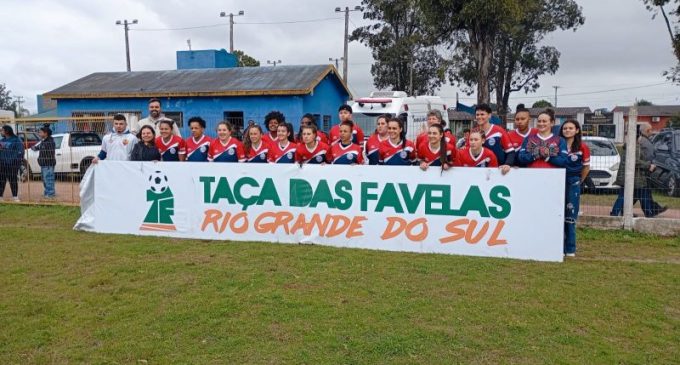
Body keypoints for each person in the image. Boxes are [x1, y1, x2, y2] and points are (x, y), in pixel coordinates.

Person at [610, 123, 667, 217]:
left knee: (630, 195)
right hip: (635, 177)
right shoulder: (635, 147)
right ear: (639, 136)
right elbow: (636, 161)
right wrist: (649, 165)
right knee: (640, 195)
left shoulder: (631, 146)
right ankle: (648, 213)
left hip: (633, 176)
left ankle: (618, 212)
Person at [561, 120, 590, 257]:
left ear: (577, 130)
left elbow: (586, 167)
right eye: (565, 128)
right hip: (558, 181)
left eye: (571, 128)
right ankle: (559, 247)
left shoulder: (582, 147)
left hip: (573, 182)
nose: (567, 130)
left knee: (570, 216)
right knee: (558, 215)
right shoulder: (558, 145)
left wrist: (579, 181)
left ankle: (570, 249)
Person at [473, 104, 514, 174]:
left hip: (498, 172)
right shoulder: (473, 132)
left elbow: (510, 152)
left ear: (489, 115)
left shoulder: (499, 131)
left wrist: (508, 164)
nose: (479, 117)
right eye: (477, 115)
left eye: (482, 114)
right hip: (478, 172)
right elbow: (469, 152)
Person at [31, 124, 57, 199]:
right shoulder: (44, 141)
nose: (39, 134)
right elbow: (38, 147)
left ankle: (50, 194)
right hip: (43, 164)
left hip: (48, 164)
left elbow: (47, 152)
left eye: (40, 132)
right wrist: (35, 148)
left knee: (48, 179)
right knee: (45, 180)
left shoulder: (50, 142)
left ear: (45, 133)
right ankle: (47, 192)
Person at [0, 125, 24, 201]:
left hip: (12, 164)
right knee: (1, 181)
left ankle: (15, 196)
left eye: (2, 130)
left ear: (7, 131)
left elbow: (20, 152)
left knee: (13, 180)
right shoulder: (2, 140)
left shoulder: (16, 140)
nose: (1, 132)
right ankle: (0, 196)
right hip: (2, 164)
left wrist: (16, 162)